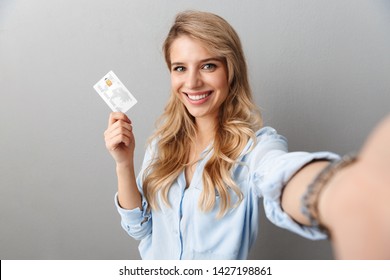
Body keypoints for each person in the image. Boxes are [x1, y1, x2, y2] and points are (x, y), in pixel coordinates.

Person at [104, 10, 390, 259]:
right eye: (180, 68)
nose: (192, 82)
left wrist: (335, 194)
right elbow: (138, 228)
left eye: (208, 65)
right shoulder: (160, 145)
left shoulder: (255, 148)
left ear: (231, 70)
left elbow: (280, 173)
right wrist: (123, 163)